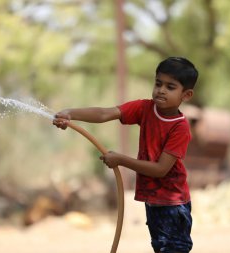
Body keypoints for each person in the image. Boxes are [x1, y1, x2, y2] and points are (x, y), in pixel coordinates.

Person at [53, 56, 198, 253]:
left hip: (172, 204)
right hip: (154, 201)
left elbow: (161, 169)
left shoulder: (180, 128)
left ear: (186, 95)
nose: (161, 90)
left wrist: (120, 160)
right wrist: (70, 113)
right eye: (158, 83)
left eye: (170, 87)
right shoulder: (144, 108)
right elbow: (105, 113)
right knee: (161, 248)